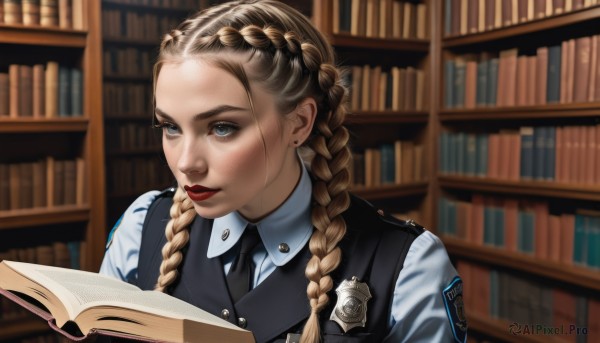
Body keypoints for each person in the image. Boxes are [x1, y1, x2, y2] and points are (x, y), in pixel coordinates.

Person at [99, 1, 467, 342]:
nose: (185, 162)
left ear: (299, 122)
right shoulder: (142, 226)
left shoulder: (409, 267)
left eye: (222, 127)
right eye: (171, 127)